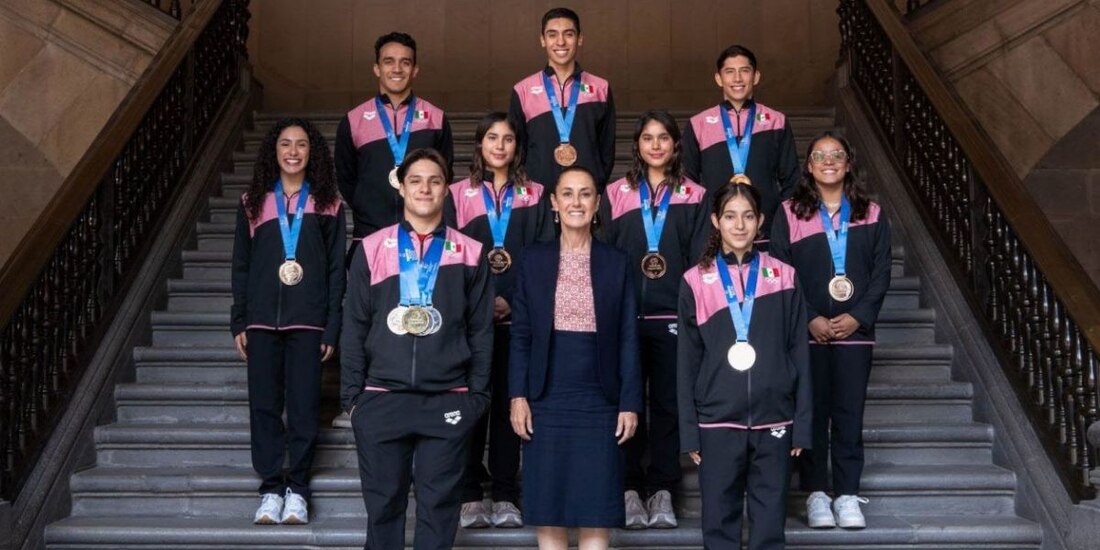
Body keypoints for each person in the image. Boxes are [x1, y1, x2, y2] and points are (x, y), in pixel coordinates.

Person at [341, 148, 493, 549]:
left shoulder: (470, 252)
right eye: (416, 180)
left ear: (447, 190)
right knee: (383, 510)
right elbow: (354, 326)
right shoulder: (371, 248)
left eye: (435, 180)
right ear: (402, 188)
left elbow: (481, 331)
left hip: (447, 400)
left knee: (439, 512)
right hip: (381, 400)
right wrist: (354, 399)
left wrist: (476, 397)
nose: (425, 188)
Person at [509, 166, 642, 549]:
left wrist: (629, 401)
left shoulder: (616, 261)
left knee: (594, 507)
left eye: (585, 194)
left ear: (598, 203)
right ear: (553, 202)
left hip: (600, 399)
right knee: (548, 507)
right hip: (546, 397)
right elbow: (521, 335)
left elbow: (629, 338)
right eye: (567, 194)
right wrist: (518, 395)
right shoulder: (533, 260)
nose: (576, 202)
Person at [677, 182, 811, 549]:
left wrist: (801, 423)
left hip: (776, 418)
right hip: (717, 419)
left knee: (770, 525)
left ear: (761, 221)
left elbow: (799, 351)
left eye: (748, 216)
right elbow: (687, 362)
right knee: (719, 522)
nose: (740, 225)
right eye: (731, 216)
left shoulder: (784, 276)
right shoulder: (695, 281)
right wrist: (690, 430)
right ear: (716, 221)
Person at [769, 131, 892, 530]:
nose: (828, 160)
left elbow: (881, 273)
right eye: (819, 154)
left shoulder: (870, 213)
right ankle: (817, 493)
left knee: (848, 413)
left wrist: (858, 316)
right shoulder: (790, 213)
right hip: (809, 332)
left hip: (856, 333)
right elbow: (780, 273)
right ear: (808, 165)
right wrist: (808, 317)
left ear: (848, 163)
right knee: (811, 410)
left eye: (836, 154)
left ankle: (847, 494)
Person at [332, 31, 454, 429]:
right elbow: (347, 180)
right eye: (389, 61)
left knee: (419, 314)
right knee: (363, 321)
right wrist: (371, 213)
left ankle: (416, 398)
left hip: (423, 243)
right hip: (371, 239)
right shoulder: (354, 119)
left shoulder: (434, 118)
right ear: (376, 68)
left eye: (405, 62)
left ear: (415, 69)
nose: (397, 68)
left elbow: (443, 177)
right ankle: (357, 398)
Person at [596, 110, 708, 529]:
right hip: (626, 316)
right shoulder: (615, 194)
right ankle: (628, 488)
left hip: (673, 316)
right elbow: (603, 256)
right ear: (637, 145)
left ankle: (663, 491)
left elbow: (701, 260)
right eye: (648, 137)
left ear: (676, 145)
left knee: (668, 405)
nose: (656, 145)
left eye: (664, 137)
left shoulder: (696, 195)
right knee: (625, 402)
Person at [230, 118, 346, 525]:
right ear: (273, 152)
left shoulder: (330, 203)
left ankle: (297, 488)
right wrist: (239, 321)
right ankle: (269, 489)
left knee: (302, 408)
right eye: (285, 144)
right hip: (261, 322)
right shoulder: (252, 203)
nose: (293, 151)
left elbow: (337, 272)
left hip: (308, 323)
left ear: (312, 151)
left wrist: (332, 325)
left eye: (301, 144)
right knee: (263, 407)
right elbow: (241, 267)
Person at [444, 112, 554, 529]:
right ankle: (471, 492)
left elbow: (545, 256)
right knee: (473, 405)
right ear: (479, 144)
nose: (500, 145)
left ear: (517, 146)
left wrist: (511, 299)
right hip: (473, 322)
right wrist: (484, 300)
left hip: (519, 321)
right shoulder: (457, 194)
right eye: (492, 137)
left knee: (513, 405)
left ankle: (506, 492)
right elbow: (450, 257)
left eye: (508, 138)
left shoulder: (536, 194)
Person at [681, 44, 799, 244]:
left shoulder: (776, 121)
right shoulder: (698, 124)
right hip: (715, 234)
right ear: (719, 78)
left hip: (767, 232)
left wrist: (779, 222)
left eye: (744, 71)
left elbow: (792, 180)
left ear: (756, 76)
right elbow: (688, 184)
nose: (737, 79)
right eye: (730, 72)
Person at [509, 7, 616, 192]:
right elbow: (518, 150)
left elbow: (606, 149)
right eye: (552, 35)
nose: (560, 42)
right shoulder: (523, 90)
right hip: (538, 197)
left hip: (584, 197)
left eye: (568, 34)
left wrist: (596, 186)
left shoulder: (601, 88)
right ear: (542, 40)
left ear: (580, 38)